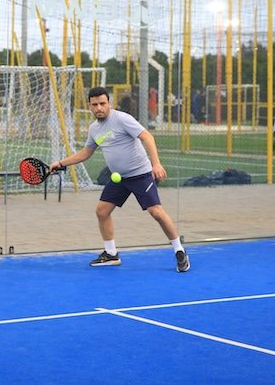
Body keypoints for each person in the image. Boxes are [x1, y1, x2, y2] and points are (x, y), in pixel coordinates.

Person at [49, 87, 190, 272]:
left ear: (110, 103)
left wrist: (156, 164)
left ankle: (179, 251)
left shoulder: (122, 119)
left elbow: (147, 137)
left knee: (156, 212)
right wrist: (61, 163)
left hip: (141, 175)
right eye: (95, 105)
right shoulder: (94, 129)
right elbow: (86, 152)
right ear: (89, 106)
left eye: (102, 103)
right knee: (102, 211)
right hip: (119, 179)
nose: (99, 108)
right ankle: (111, 254)